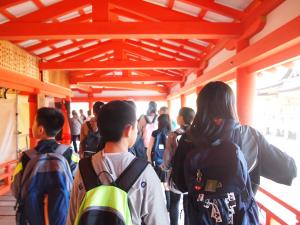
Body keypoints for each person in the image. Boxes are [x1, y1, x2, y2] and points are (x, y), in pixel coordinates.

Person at [172, 81, 297, 224]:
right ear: (231, 105)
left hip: (201, 218)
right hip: (240, 217)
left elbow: (180, 184)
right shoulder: (250, 136)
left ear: (200, 106)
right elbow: (289, 171)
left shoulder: (188, 139)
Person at [67, 101, 169, 225]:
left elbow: (72, 217)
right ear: (128, 130)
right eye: (136, 127)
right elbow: (158, 220)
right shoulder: (144, 172)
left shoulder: (83, 168)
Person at [11, 107, 78, 225]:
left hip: (31, 216)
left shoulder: (26, 157)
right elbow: (77, 186)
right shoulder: (70, 154)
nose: (32, 126)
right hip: (63, 215)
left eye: (34, 123)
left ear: (41, 129)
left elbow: (16, 189)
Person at [162, 107, 195, 225]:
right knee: (188, 206)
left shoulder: (173, 135)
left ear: (181, 118)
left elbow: (168, 156)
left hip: (176, 174)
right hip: (192, 176)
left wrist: (165, 168)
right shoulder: (197, 135)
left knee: (175, 203)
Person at [147, 114, 171, 212]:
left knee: (155, 184)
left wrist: (149, 161)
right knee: (166, 185)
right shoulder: (171, 133)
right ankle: (168, 207)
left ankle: (156, 206)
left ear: (159, 122)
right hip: (167, 164)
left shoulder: (155, 133)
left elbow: (149, 149)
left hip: (156, 162)